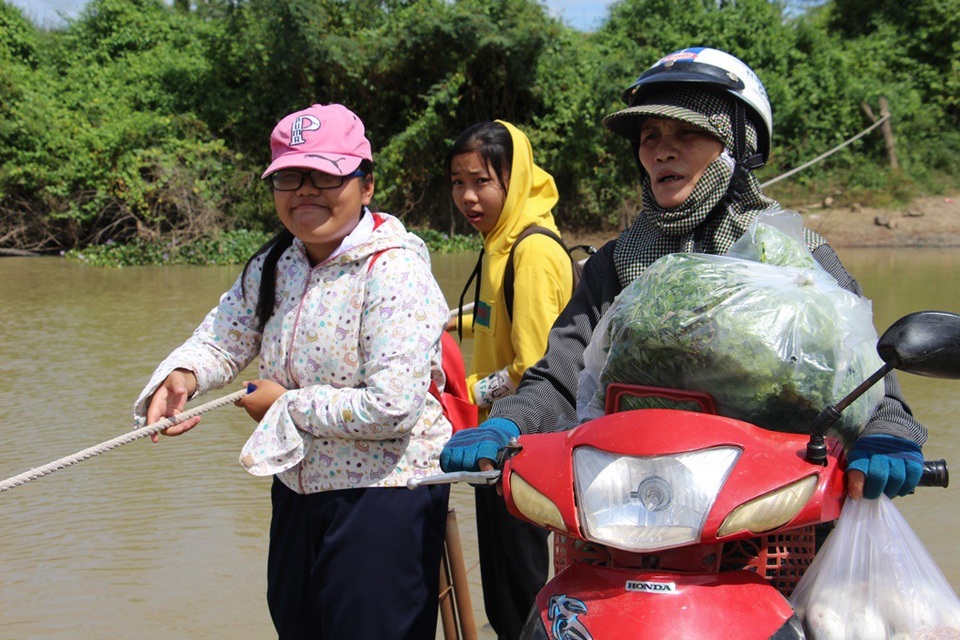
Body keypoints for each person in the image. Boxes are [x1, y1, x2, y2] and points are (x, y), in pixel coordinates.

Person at [439, 47, 926, 504]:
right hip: (630, 502)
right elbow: (561, 377)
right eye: (650, 137)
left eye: (686, 134)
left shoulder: (794, 258)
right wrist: (511, 421)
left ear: (739, 141)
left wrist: (888, 431)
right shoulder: (615, 264)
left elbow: (865, 373)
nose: (661, 152)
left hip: (769, 505)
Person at [134, 103, 452, 639]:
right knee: (296, 623)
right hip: (297, 486)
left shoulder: (395, 269)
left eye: (326, 175)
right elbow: (223, 336)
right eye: (289, 176)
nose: (305, 190)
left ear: (366, 185)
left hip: (384, 494)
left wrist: (284, 406)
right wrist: (183, 375)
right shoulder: (275, 262)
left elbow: (393, 406)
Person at [446, 120, 575, 639]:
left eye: (482, 182)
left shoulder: (533, 251)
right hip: (494, 443)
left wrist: (464, 392)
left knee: (520, 591)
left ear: (514, 179)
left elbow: (535, 366)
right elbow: (494, 310)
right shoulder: (501, 242)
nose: (468, 197)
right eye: (458, 182)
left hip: (524, 445)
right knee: (502, 585)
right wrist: (440, 321)